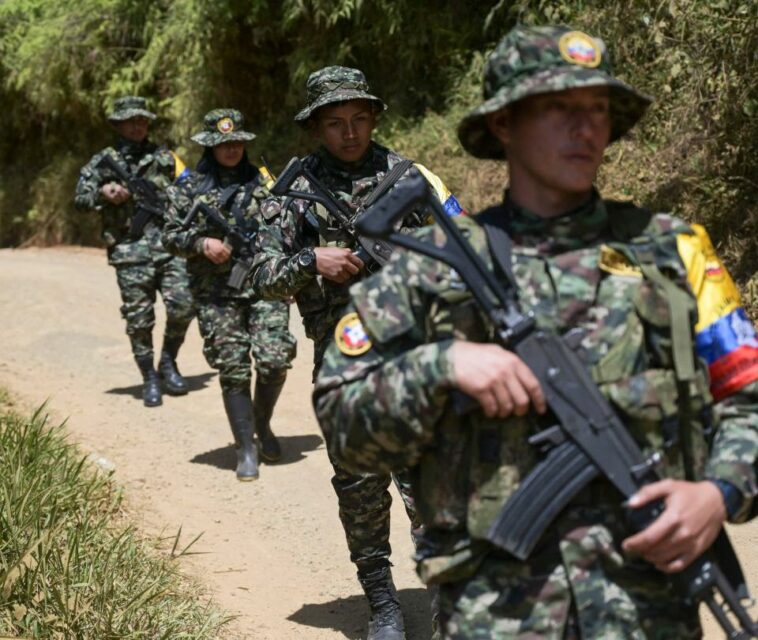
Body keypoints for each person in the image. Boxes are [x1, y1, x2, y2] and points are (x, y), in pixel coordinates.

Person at [313, 26, 758, 638]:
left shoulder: (674, 253)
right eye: (558, 108)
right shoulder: (431, 268)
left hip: (648, 612)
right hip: (496, 616)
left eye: (597, 109)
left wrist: (721, 491)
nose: (585, 128)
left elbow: (747, 399)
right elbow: (341, 419)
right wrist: (440, 365)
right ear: (503, 125)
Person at [250, 66, 464, 639]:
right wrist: (309, 261)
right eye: (336, 123)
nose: (350, 133)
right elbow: (259, 272)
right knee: (360, 487)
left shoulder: (410, 179)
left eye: (359, 119)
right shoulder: (293, 193)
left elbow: (466, 250)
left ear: (372, 118)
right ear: (318, 127)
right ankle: (384, 605)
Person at [163, 108, 297, 481]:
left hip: (263, 285)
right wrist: (201, 242)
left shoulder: (265, 183)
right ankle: (246, 447)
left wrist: (289, 275)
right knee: (234, 366)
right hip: (215, 292)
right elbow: (169, 235)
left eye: (237, 142)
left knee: (274, 359)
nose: (232, 149)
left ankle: (262, 423)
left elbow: (290, 230)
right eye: (224, 144)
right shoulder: (189, 189)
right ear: (210, 146)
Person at [75, 95, 195, 407]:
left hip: (169, 246)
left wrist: (172, 199)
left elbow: (192, 187)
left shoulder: (165, 157)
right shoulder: (103, 161)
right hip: (130, 250)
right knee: (139, 319)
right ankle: (149, 377)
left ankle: (168, 361)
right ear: (119, 124)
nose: (138, 126)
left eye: (142, 121)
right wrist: (104, 193)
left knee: (183, 305)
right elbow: (81, 198)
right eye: (131, 121)